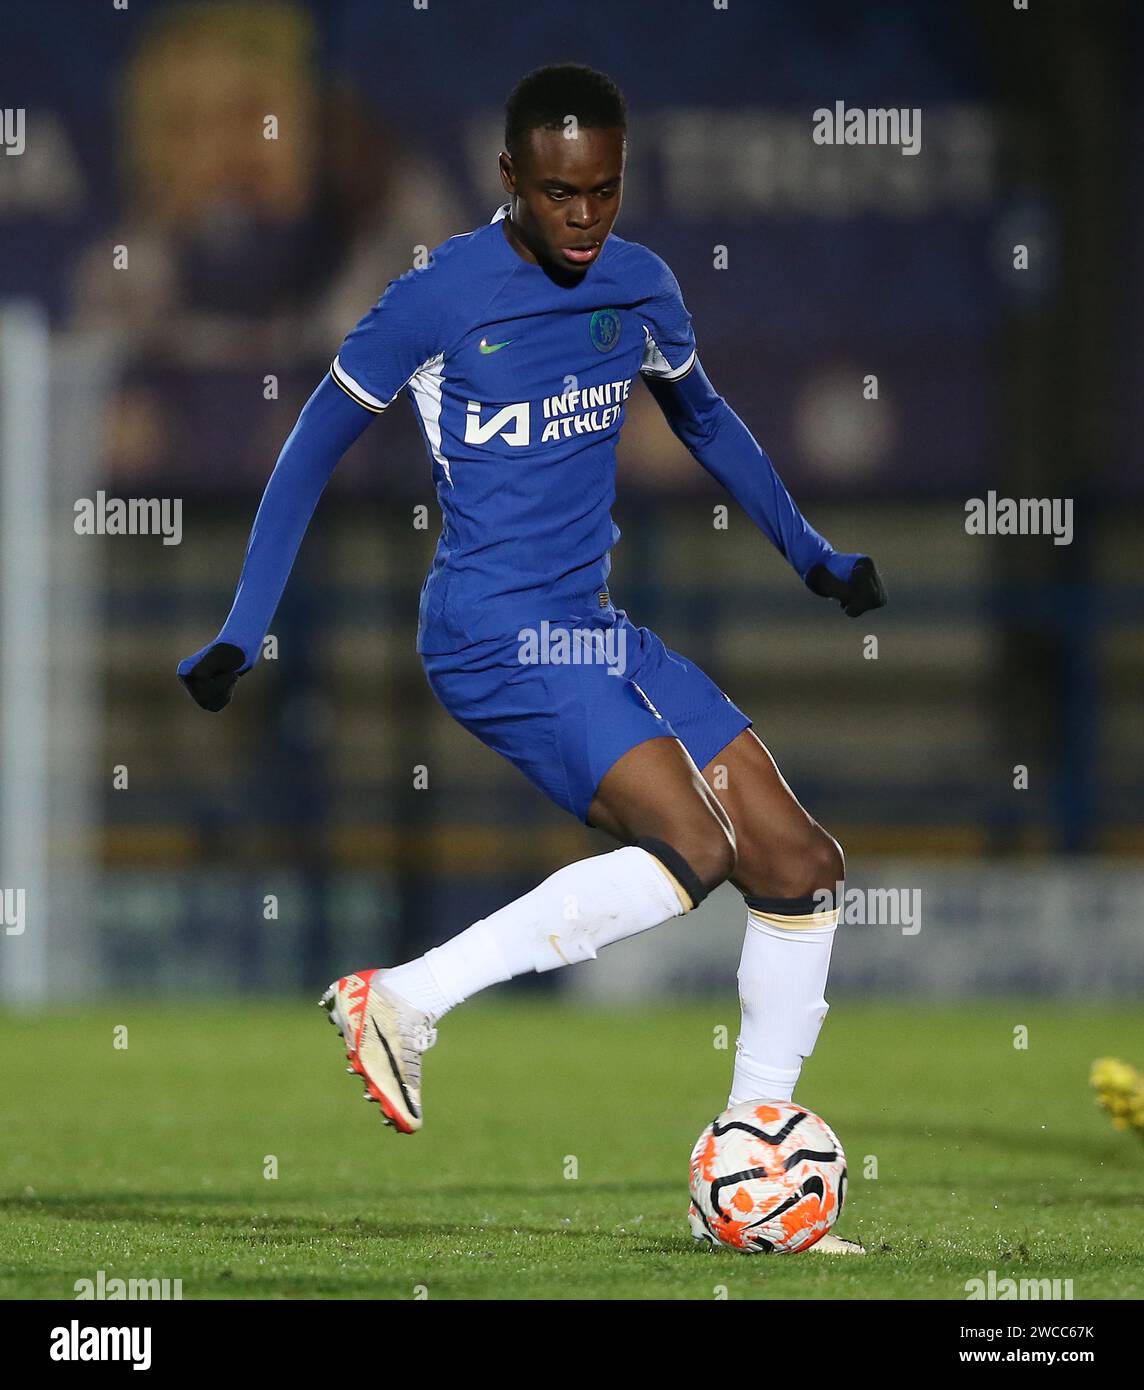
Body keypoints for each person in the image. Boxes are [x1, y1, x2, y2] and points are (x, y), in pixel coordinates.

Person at [179, 64, 886, 1253]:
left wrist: (811, 554)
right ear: (508, 178)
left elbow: (703, 418)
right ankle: (401, 998)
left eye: (603, 192)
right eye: (557, 192)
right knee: (692, 847)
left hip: (591, 621)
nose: (581, 218)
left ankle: (757, 1152)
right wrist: (245, 624)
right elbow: (310, 449)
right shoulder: (436, 298)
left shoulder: (643, 285)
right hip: (489, 630)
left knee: (796, 860)